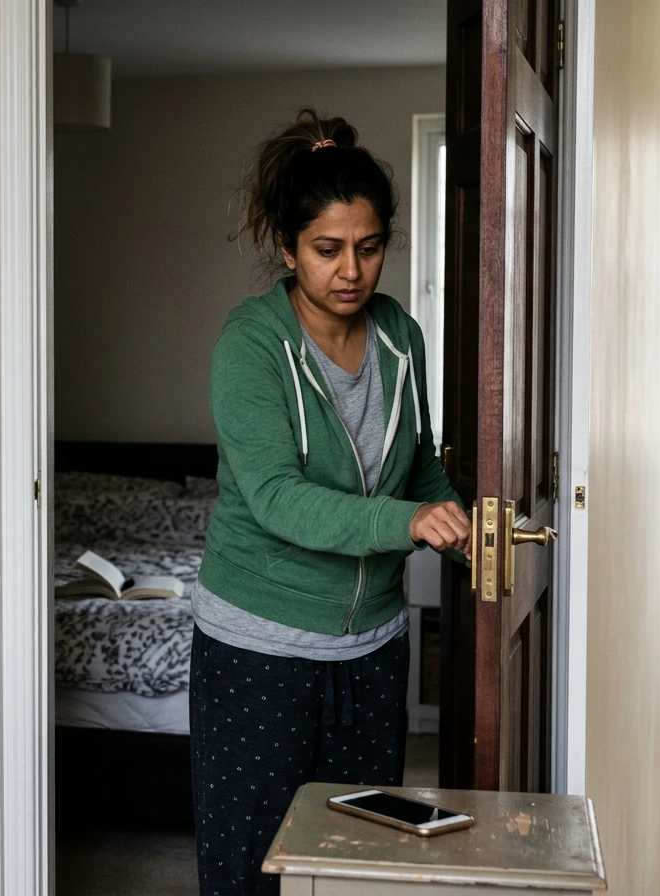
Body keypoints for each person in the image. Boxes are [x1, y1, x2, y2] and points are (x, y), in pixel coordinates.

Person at [189, 108, 471, 895]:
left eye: (370, 247)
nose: (351, 270)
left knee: (356, 867)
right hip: (258, 652)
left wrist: (463, 529)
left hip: (374, 651)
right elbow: (279, 498)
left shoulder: (402, 338)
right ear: (288, 248)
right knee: (252, 872)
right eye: (327, 249)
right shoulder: (249, 346)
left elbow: (416, 471)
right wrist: (406, 522)